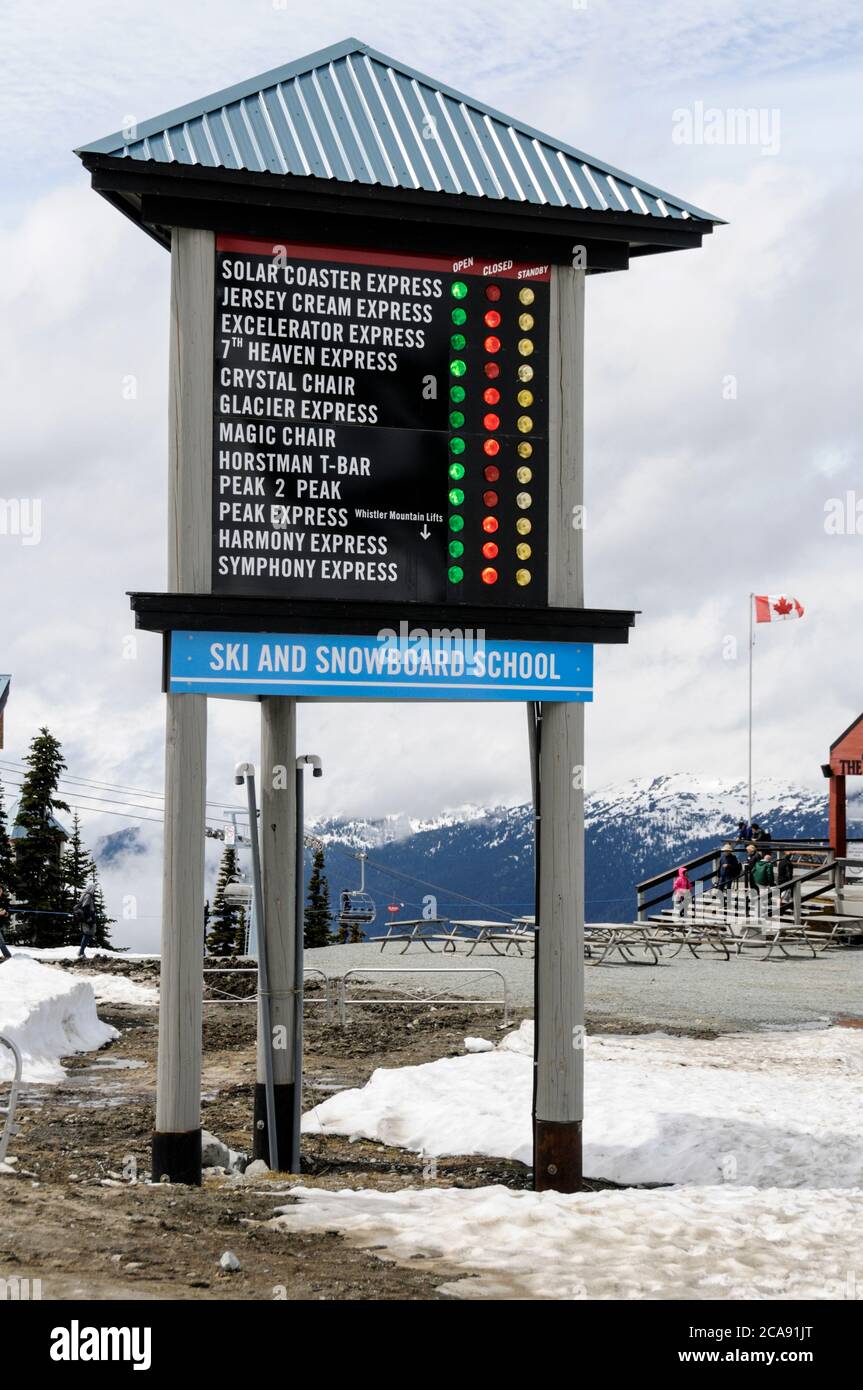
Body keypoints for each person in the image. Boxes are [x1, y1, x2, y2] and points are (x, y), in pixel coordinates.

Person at [73, 886, 97, 958]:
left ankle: (81, 952)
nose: (94, 891)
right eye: (94, 889)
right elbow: (85, 907)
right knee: (87, 934)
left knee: (88, 934)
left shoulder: (84, 895)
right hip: (87, 918)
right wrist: (89, 919)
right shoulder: (88, 896)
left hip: (85, 918)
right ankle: (81, 952)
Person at [0, 885, 12, 962]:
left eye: (0, 890)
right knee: (1, 941)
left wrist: (5, 913)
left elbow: (8, 913)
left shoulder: (3, 901)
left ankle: (8, 956)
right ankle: (8, 956)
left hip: (0, 924)